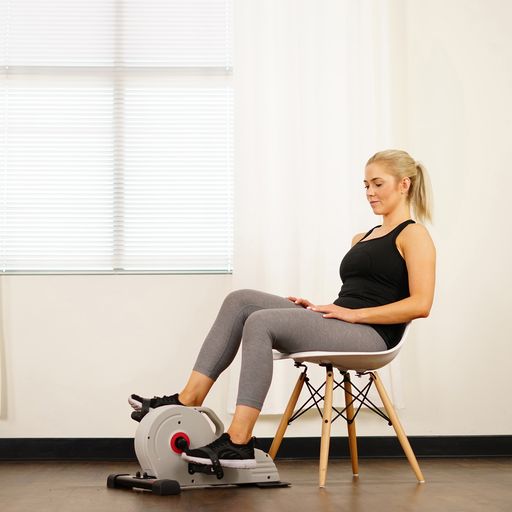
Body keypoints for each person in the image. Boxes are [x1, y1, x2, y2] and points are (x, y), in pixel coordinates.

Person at [129, 149, 436, 470]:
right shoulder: (363, 237)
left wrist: (354, 315)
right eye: (365, 185)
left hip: (373, 336)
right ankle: (189, 397)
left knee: (261, 322)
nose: (370, 193)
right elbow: (356, 296)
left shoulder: (414, 235)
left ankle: (239, 441)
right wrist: (322, 310)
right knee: (241, 300)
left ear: (404, 185)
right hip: (342, 321)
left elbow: (421, 304)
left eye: (378, 184)